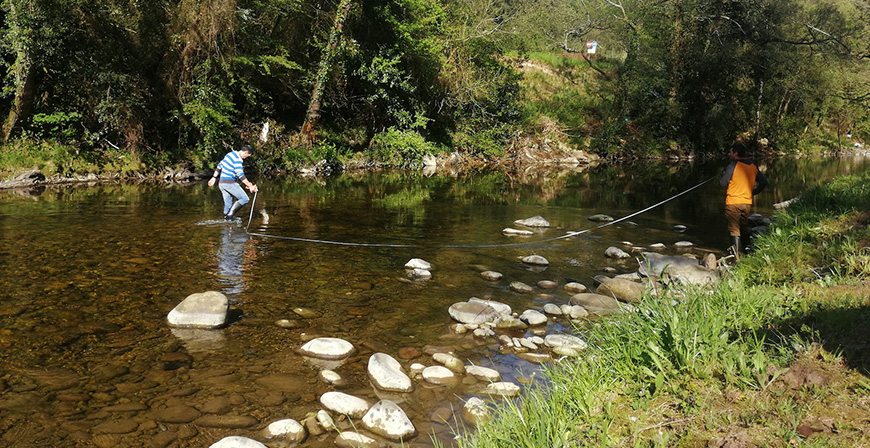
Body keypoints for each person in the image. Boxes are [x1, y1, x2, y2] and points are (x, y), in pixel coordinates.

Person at [720, 141, 768, 259]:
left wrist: (725, 175)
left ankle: (735, 255)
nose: (729, 154)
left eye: (730, 152)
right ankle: (748, 251)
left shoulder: (732, 166)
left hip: (733, 202)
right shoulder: (753, 166)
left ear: (736, 153)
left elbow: (722, 183)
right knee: (743, 225)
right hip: (746, 202)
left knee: (734, 229)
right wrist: (754, 192)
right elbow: (764, 182)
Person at [208, 145, 259, 221]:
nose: (246, 158)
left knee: (228, 205)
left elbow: (220, 165)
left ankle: (226, 220)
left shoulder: (230, 154)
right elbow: (240, 174)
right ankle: (230, 216)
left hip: (222, 183)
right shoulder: (238, 159)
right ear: (245, 152)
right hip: (230, 183)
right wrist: (250, 186)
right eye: (247, 156)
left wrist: (214, 177)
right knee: (244, 198)